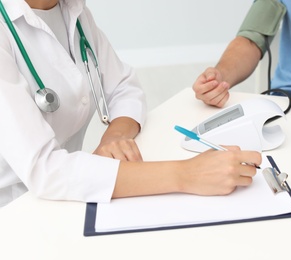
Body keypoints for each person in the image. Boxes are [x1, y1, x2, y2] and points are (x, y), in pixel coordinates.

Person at [0, 0, 261, 207]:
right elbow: (45, 170)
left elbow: (125, 86)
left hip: (61, 197)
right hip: (13, 212)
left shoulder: (73, 12)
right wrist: (187, 174)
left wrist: (113, 138)